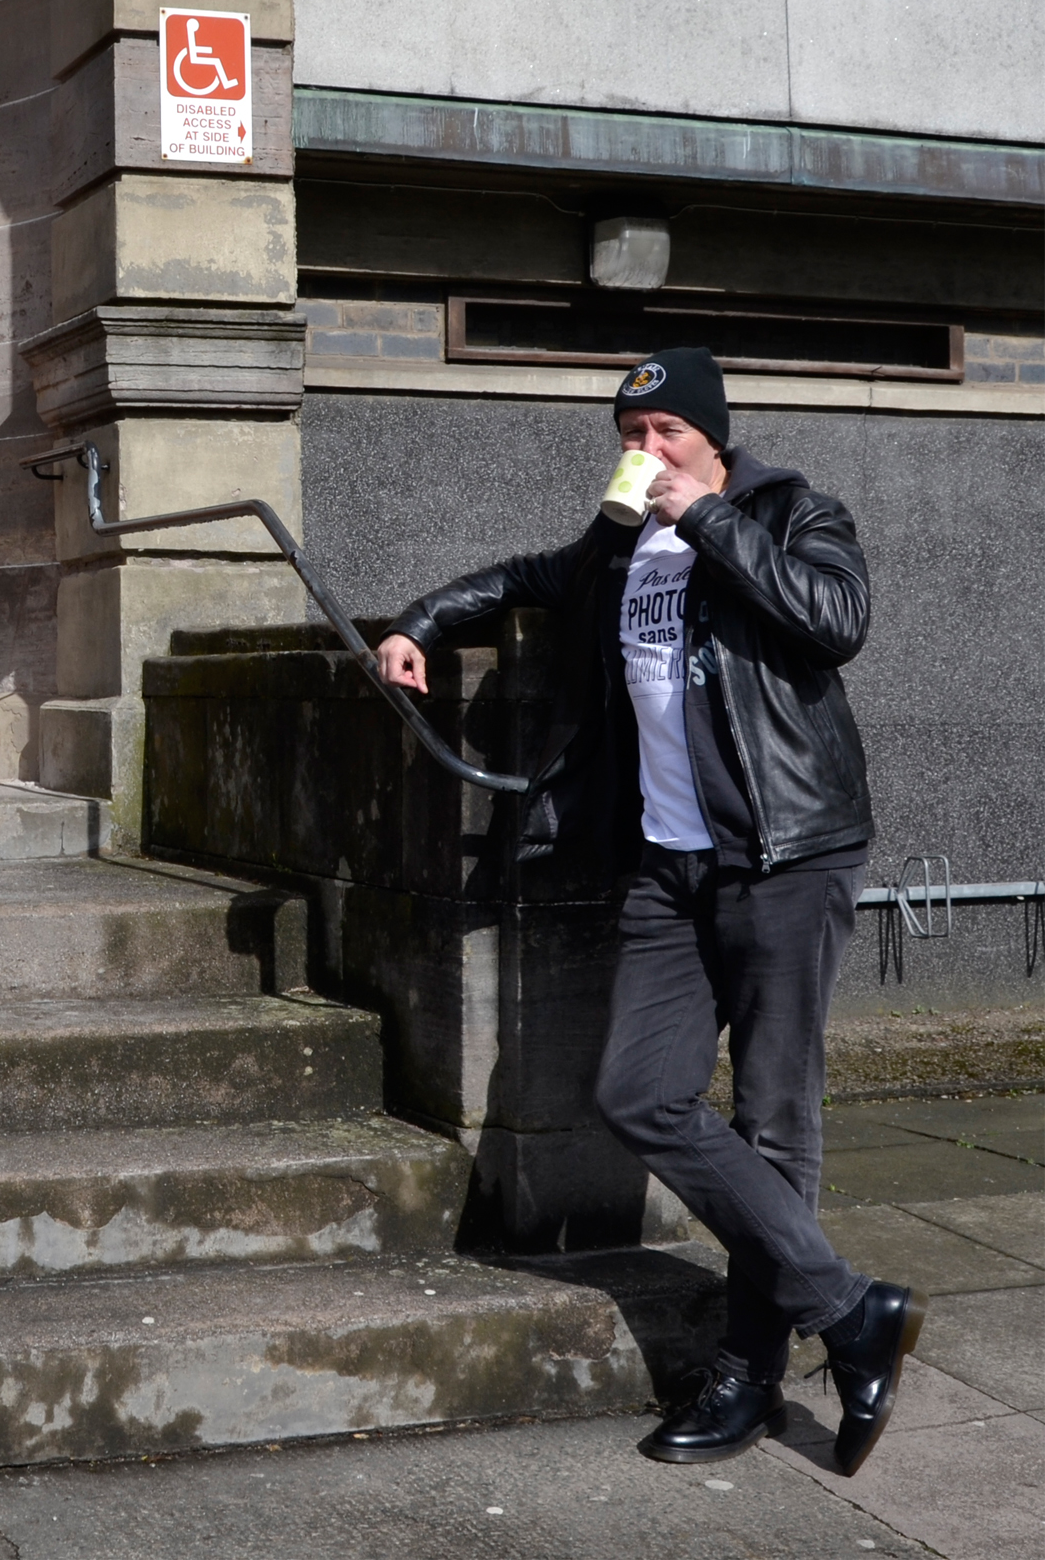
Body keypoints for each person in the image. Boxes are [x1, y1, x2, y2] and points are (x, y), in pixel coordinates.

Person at [374, 347, 921, 1476]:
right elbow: (523, 576)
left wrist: (712, 519)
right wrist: (416, 622)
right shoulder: (615, 545)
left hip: (783, 856)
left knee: (774, 1119)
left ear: (710, 435)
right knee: (635, 1088)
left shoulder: (791, 508)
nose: (643, 453)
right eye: (628, 435)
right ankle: (847, 1306)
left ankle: (747, 1371)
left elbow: (835, 618)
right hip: (665, 867)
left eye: (664, 431)